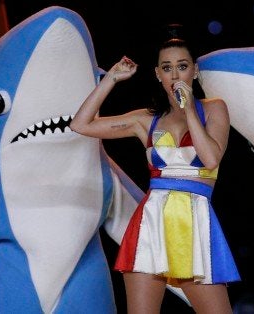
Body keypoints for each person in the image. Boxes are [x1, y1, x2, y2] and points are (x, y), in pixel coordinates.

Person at [70, 27, 240, 314]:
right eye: (167, 68)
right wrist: (111, 78)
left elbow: (210, 158)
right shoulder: (145, 120)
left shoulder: (214, 109)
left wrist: (188, 111)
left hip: (194, 226)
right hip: (150, 228)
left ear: (195, 72)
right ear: (157, 74)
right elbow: (81, 124)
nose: (175, 75)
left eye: (182, 67)